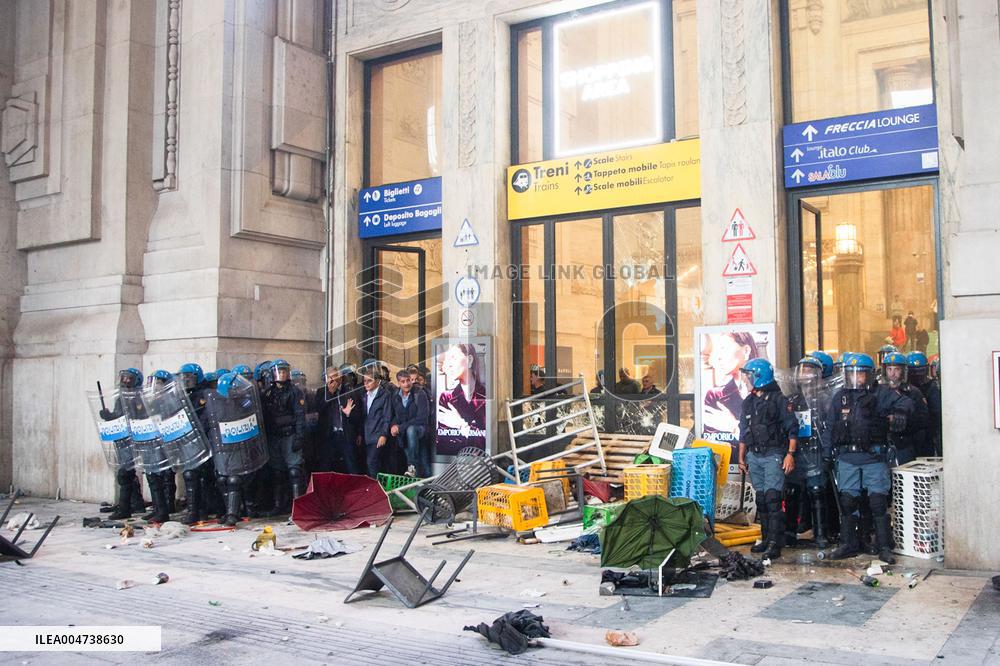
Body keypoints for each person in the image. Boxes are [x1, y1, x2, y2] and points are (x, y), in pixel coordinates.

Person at [823, 353, 914, 564]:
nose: (855, 378)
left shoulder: (881, 393)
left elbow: (906, 402)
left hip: (874, 456)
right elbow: (829, 427)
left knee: (878, 502)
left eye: (860, 374)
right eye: (851, 374)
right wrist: (827, 454)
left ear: (870, 375)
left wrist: (900, 413)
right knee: (847, 502)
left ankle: (883, 546)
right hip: (847, 457)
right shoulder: (840, 397)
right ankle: (848, 543)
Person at [737, 359, 799, 560]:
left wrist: (790, 454)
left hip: (773, 454)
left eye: (748, 375)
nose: (746, 379)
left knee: (773, 499)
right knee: (761, 499)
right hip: (754, 455)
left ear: (758, 376)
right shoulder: (749, 402)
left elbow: (792, 428)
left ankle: (775, 543)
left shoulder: (779, 400)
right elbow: (744, 432)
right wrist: (741, 457)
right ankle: (765, 539)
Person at [205, 372, 270, 526]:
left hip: (241, 447)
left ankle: (233, 514)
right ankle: (230, 510)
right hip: (223, 448)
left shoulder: (245, 402)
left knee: (234, 479)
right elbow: (209, 425)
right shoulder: (215, 405)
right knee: (222, 480)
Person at [784, 357, 831, 548]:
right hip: (796, 452)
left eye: (811, 371)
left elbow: (830, 427)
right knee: (792, 491)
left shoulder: (825, 400)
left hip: (815, 452)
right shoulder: (792, 400)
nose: (806, 375)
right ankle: (789, 532)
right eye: (803, 370)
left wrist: (827, 451)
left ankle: (820, 533)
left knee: (817, 492)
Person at [261, 359, 307, 514]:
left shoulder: (294, 391)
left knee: (294, 471)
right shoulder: (268, 392)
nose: (282, 374)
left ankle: (298, 508)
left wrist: (300, 436)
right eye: (279, 371)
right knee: (277, 472)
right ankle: (279, 505)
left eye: (284, 371)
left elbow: (300, 415)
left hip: (290, 434)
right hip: (274, 437)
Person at [100, 368, 146, 520]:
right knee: (127, 474)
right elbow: (119, 417)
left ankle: (125, 508)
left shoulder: (139, 398)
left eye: (129, 379)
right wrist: (109, 417)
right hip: (122, 440)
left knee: (125, 474)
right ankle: (136, 503)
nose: (125, 381)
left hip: (133, 441)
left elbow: (139, 418)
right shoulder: (121, 398)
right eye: (124, 378)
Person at [177, 362, 216, 524]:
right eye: (183, 378)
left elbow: (208, 417)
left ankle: (203, 510)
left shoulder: (205, 395)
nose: (186, 381)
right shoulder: (179, 396)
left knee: (204, 477)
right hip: (188, 441)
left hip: (204, 441)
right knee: (190, 475)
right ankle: (193, 510)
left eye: (189, 377)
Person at [703, 332, 758, 441]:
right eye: (716, 351)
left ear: (746, 350)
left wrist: (733, 426)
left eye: (724, 348)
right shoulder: (715, 396)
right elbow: (709, 440)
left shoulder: (768, 394)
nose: (718, 357)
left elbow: (771, 436)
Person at [436, 343, 488, 454]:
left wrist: (460, 424)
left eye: (453, 358)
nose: (447, 365)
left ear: (469, 360)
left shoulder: (486, 396)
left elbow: (486, 442)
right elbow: (442, 442)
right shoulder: (446, 397)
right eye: (446, 360)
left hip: (478, 461)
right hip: (455, 460)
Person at [880, 352, 929, 466]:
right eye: (889, 369)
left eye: (897, 369)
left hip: (905, 444)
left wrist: (903, 421)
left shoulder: (913, 392)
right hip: (882, 445)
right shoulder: (878, 391)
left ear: (903, 371)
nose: (892, 374)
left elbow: (924, 419)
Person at [314, 365, 360, 474]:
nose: (333, 380)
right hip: (328, 434)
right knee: (325, 465)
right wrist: (330, 393)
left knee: (351, 464)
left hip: (345, 433)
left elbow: (358, 415)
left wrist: (349, 414)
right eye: (330, 377)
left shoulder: (349, 391)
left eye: (335, 376)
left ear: (340, 377)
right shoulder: (321, 392)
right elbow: (319, 409)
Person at [391, 369, 431, 477]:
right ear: (398, 383)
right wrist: (394, 426)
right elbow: (394, 415)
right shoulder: (395, 396)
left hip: (419, 430)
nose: (406, 384)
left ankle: (412, 466)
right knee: (419, 463)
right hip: (404, 434)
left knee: (411, 430)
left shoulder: (420, 393)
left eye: (408, 380)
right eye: (403, 381)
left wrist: (401, 427)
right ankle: (417, 488)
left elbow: (422, 417)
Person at [360, 363, 394, 477]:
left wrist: (383, 435)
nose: (366, 384)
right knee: (369, 464)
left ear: (377, 381)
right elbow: (363, 416)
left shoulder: (385, 395)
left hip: (377, 435)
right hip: (366, 435)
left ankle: (377, 490)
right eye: (364, 381)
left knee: (372, 463)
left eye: (369, 381)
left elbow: (387, 416)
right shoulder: (365, 395)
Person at [907, 352, 941, 457]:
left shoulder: (932, 388)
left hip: (927, 434)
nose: (917, 376)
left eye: (920, 372)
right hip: (909, 436)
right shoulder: (905, 389)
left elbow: (937, 413)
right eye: (913, 372)